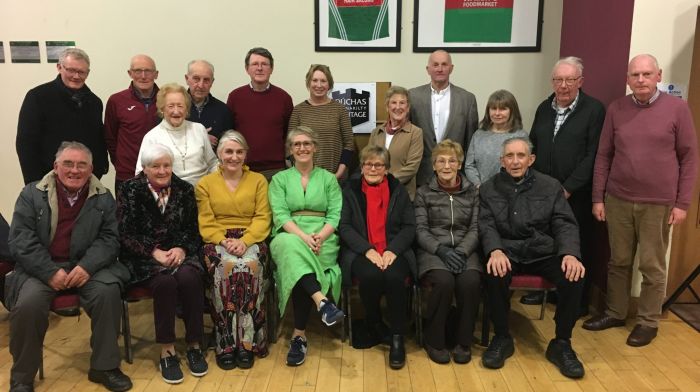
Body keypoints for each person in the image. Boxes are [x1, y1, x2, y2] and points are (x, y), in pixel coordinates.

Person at [584, 54, 699, 347]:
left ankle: (648, 321)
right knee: (619, 261)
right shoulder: (616, 109)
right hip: (618, 199)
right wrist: (599, 197)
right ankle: (615, 312)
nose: (641, 80)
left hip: (657, 203)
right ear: (628, 79)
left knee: (652, 265)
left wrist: (682, 203)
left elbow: (689, 158)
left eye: (647, 74)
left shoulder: (677, 109)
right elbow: (603, 155)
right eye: (635, 75)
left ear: (658, 75)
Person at [6, 142, 132, 392]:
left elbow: (110, 239)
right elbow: (21, 239)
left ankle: (104, 367)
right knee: (28, 305)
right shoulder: (31, 194)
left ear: (91, 169)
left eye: (81, 165)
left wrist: (87, 267)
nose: (74, 170)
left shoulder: (103, 196)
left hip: (87, 268)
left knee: (108, 293)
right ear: (55, 167)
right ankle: (22, 377)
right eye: (68, 164)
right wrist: (49, 272)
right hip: (41, 269)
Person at [479, 137, 586, 379]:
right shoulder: (488, 188)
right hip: (507, 250)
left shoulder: (550, 186)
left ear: (531, 159)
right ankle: (502, 336)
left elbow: (564, 223)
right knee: (494, 273)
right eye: (509, 156)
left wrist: (570, 253)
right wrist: (494, 250)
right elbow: (486, 225)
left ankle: (561, 343)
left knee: (574, 276)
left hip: (541, 251)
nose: (515, 161)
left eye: (520, 156)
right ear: (502, 161)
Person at [117, 143, 207, 384]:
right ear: (144, 168)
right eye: (155, 166)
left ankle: (194, 344)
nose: (162, 170)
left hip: (179, 253)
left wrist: (182, 248)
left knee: (190, 278)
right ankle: (167, 349)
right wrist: (153, 252)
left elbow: (193, 230)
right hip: (144, 259)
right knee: (165, 283)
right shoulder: (129, 189)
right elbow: (125, 233)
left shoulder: (185, 189)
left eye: (166, 165)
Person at [526, 57, 605, 311]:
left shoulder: (594, 110)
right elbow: (533, 147)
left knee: (576, 242)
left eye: (569, 80)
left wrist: (568, 188)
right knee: (545, 242)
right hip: (544, 192)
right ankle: (544, 290)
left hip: (576, 194)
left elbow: (592, 155)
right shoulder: (543, 108)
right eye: (558, 80)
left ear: (580, 82)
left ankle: (576, 301)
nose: (563, 86)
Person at [268, 126, 345, 367]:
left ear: (315, 148)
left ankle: (299, 336)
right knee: (292, 249)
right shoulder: (279, 179)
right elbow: (280, 215)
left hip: (324, 236)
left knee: (299, 265)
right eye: (296, 144)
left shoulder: (329, 178)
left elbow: (334, 215)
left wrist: (320, 236)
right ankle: (322, 302)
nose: (302, 148)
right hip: (289, 233)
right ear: (290, 150)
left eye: (307, 143)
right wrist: (303, 236)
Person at [195, 130, 272, 370]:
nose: (234, 156)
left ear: (246, 155)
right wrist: (224, 240)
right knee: (225, 267)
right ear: (219, 154)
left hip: (252, 239)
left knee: (249, 266)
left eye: (239, 152)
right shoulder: (205, 184)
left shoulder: (258, 180)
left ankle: (247, 343)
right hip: (217, 240)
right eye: (229, 151)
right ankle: (225, 344)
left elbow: (263, 217)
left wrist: (246, 240)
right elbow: (206, 221)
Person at [338, 145, 415, 369]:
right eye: (368, 164)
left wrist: (392, 250)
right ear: (361, 167)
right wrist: (368, 250)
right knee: (370, 276)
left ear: (387, 169)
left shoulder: (398, 190)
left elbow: (409, 226)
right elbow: (344, 227)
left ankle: (398, 337)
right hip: (361, 250)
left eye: (379, 165)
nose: (373, 168)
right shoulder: (349, 189)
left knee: (394, 278)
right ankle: (375, 321)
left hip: (394, 249)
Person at [415, 140, 482, 365]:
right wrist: (441, 250)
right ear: (433, 165)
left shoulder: (472, 193)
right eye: (441, 161)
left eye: (452, 160)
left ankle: (463, 341)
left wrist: (462, 252)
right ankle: (434, 339)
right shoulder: (424, 193)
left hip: (465, 250)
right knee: (443, 282)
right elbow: (421, 230)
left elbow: (475, 228)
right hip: (433, 250)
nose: (446, 165)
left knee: (470, 281)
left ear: (460, 164)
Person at [16, 47, 108, 185]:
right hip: (47, 178)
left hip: (84, 179)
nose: (76, 76)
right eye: (71, 70)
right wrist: (34, 183)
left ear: (87, 73)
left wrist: (99, 171)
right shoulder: (38, 97)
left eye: (81, 72)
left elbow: (98, 141)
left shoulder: (94, 102)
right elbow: (26, 143)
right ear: (59, 67)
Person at [409, 50, 479, 187]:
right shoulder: (413, 96)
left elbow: (471, 142)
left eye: (444, 64)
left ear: (451, 68)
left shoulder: (467, 99)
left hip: (454, 176)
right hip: (421, 176)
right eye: (435, 65)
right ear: (428, 69)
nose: (440, 69)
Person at [226, 48, 293, 180]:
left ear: (271, 69)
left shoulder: (284, 98)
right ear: (247, 69)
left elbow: (288, 134)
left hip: (276, 170)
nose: (259, 68)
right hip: (243, 168)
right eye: (255, 64)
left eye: (264, 64)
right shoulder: (235, 97)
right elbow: (230, 133)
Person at [136, 83, 218, 186]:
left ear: (186, 109)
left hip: (202, 191)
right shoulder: (152, 137)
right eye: (171, 106)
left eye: (180, 106)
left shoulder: (198, 129)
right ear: (162, 109)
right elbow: (140, 173)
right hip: (170, 194)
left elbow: (213, 163)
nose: (176, 111)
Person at [104, 54, 160, 193]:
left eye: (148, 71)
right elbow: (110, 137)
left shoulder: (166, 100)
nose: (143, 76)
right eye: (137, 71)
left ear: (156, 74)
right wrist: (120, 164)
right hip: (127, 175)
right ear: (130, 73)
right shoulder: (116, 100)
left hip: (159, 174)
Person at [288, 64, 354, 180]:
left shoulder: (340, 110)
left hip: (335, 177)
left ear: (329, 84)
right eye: (315, 80)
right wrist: (302, 175)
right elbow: (290, 145)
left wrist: (338, 174)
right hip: (305, 178)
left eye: (323, 81)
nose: (319, 85)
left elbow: (349, 144)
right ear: (308, 83)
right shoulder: (298, 110)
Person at [367, 86, 423, 199]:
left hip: (401, 194)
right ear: (387, 107)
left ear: (407, 108)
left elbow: (412, 167)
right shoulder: (376, 132)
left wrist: (384, 180)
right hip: (375, 194)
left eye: (402, 103)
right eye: (393, 103)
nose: (398, 107)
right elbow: (367, 161)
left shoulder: (415, 133)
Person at [464, 89, 528, 187]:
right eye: (493, 108)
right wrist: (479, 185)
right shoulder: (479, 134)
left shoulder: (520, 136)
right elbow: (469, 165)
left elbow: (522, 167)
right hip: (481, 191)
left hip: (510, 192)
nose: (497, 113)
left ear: (512, 111)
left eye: (502, 109)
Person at [185, 60, 234, 149]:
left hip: (214, 162)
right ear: (187, 79)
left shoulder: (223, 110)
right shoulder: (173, 107)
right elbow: (163, 137)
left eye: (206, 80)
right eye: (196, 79)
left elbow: (229, 144)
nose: (201, 85)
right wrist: (200, 138)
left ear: (212, 82)